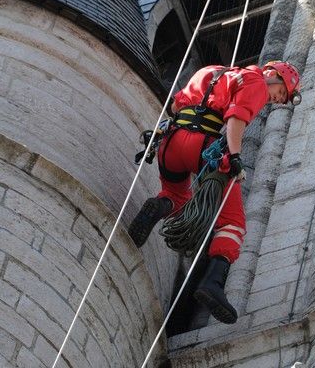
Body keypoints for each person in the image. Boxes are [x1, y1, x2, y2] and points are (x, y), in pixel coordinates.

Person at [128, 61, 301, 323]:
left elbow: (176, 106)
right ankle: (213, 283)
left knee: (176, 195)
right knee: (233, 223)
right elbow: (236, 118)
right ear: (273, 75)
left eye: (281, 99)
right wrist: (234, 158)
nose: (277, 100)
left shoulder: (208, 72)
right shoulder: (256, 84)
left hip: (171, 144)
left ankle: (156, 208)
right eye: (281, 92)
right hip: (205, 145)